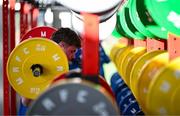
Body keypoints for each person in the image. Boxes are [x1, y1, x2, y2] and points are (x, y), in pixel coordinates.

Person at [18, 27, 81, 115]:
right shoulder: (37, 62)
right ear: (61, 46)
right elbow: (26, 102)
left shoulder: (73, 65)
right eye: (72, 51)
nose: (73, 56)